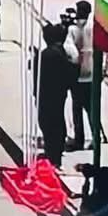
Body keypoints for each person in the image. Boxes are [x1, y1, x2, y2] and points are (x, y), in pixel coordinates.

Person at [36, 22, 78, 167]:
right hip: (59, 94)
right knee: (57, 123)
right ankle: (54, 155)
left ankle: (52, 155)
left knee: (48, 124)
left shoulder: (47, 55)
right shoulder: (62, 53)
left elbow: (39, 76)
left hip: (47, 95)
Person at [68, 0, 106, 150]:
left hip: (78, 74)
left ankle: (79, 139)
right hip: (93, 74)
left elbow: (69, 48)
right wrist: (103, 70)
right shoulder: (95, 28)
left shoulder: (73, 29)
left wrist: (76, 60)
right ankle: (97, 137)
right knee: (92, 108)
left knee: (77, 108)